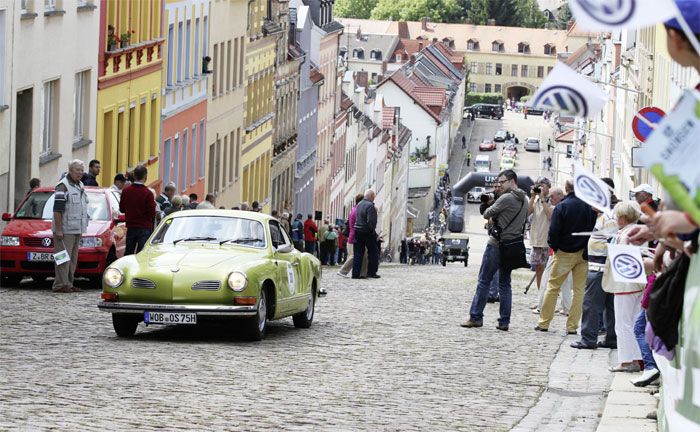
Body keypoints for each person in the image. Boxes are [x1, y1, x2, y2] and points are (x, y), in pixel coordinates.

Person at [461, 170, 528, 331]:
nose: (500, 185)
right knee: (505, 284)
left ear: (512, 181)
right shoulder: (524, 199)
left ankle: (475, 317)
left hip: (496, 244)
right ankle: (504, 321)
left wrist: (491, 203)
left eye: (502, 182)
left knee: (484, 281)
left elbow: (486, 214)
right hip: (512, 246)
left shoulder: (506, 198)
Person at [536, 180, 597, 333]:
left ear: (566, 189)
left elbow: (554, 231)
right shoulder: (590, 208)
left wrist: (554, 246)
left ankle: (544, 323)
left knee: (553, 287)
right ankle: (572, 326)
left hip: (563, 252)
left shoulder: (562, 207)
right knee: (579, 291)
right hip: (583, 253)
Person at [571, 178, 620, 350]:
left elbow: (614, 241)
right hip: (606, 268)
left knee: (591, 304)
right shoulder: (607, 215)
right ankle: (611, 338)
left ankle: (588, 339)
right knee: (609, 305)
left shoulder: (609, 217)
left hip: (602, 268)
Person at [607, 201, 646, 373]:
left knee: (623, 323)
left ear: (623, 217)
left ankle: (626, 360)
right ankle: (638, 358)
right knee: (634, 322)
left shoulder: (626, 233)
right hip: (636, 282)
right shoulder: (634, 230)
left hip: (626, 282)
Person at [51, 160, 89, 293]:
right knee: (62, 258)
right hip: (65, 230)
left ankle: (68, 283)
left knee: (73, 260)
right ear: (70, 170)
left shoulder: (80, 185)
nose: (80, 173)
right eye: (77, 170)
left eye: (81, 170)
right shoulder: (63, 186)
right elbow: (57, 210)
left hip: (76, 228)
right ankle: (60, 284)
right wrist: (59, 229)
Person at [119, 165, 156, 255]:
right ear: (145, 177)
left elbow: (122, 209)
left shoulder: (126, 191)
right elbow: (152, 213)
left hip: (131, 226)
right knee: (142, 254)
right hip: (144, 227)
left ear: (134, 176)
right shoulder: (148, 193)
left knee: (129, 253)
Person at [528, 177, 555, 298]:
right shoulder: (537, 201)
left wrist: (543, 198)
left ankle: (547, 297)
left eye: (542, 185)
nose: (540, 188)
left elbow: (550, 216)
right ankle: (541, 297)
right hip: (537, 240)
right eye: (538, 185)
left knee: (549, 272)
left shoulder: (553, 200)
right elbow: (527, 212)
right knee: (538, 270)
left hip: (548, 241)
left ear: (548, 187)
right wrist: (533, 197)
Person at [338, 194, 368, 278]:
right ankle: (342, 271)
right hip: (354, 237)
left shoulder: (355, 209)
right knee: (354, 256)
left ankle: (363, 274)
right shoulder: (357, 211)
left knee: (364, 255)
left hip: (355, 236)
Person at [353, 189, 380, 279]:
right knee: (373, 252)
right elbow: (371, 221)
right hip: (367, 232)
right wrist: (373, 232)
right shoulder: (370, 206)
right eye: (373, 197)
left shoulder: (359, 204)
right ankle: (371, 272)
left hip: (357, 230)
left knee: (358, 253)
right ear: (371, 197)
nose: (374, 199)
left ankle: (355, 273)